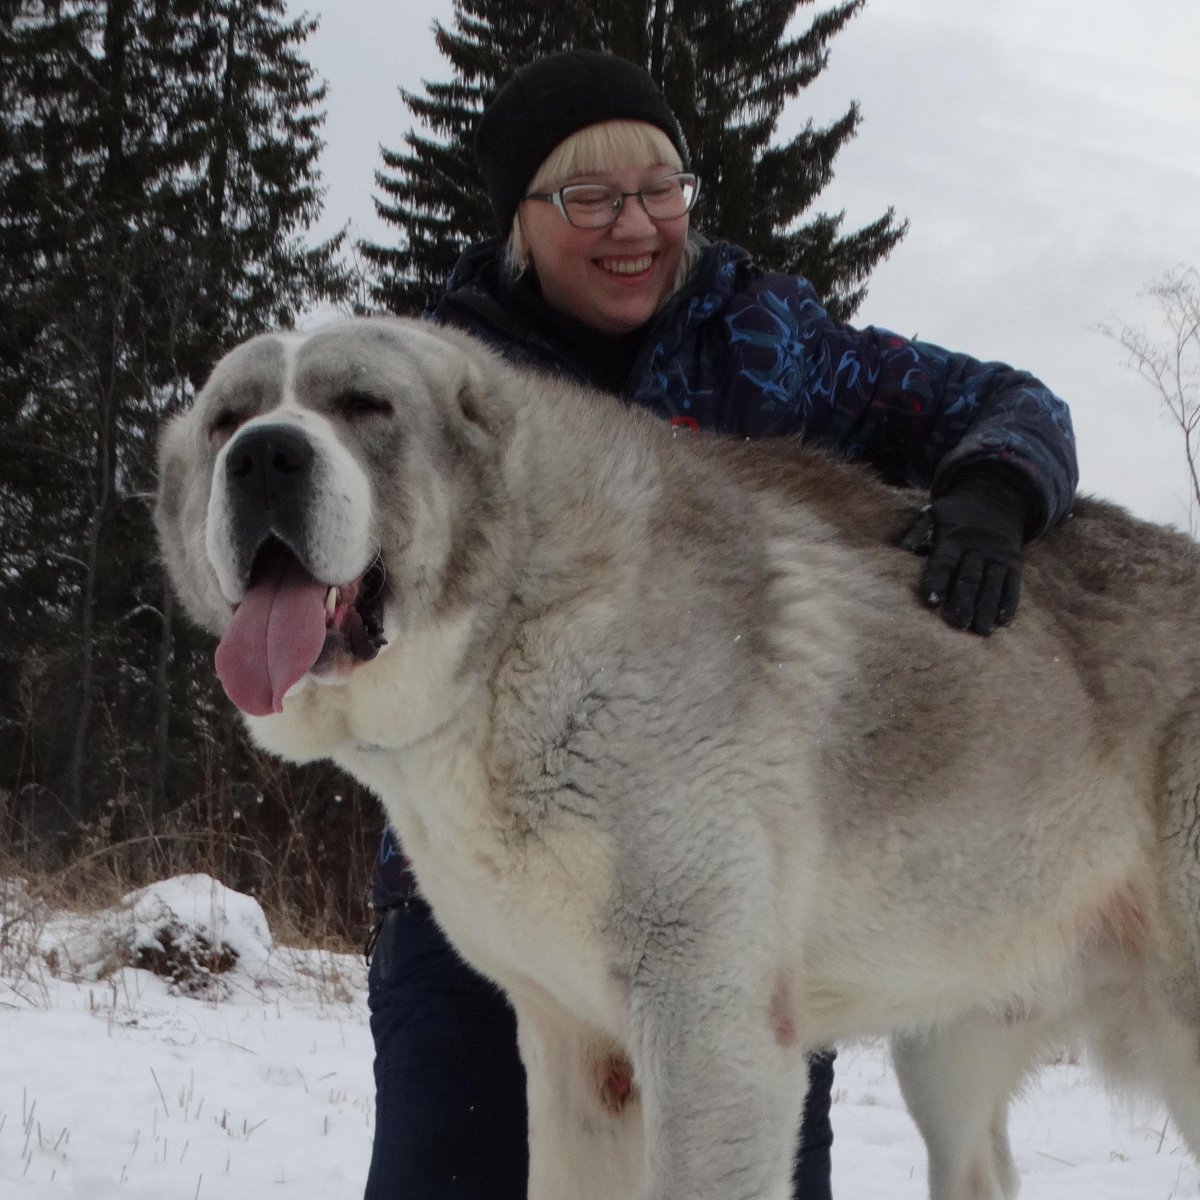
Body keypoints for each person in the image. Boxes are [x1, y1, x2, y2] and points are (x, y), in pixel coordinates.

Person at [364, 49, 1078, 1200]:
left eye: (660, 191)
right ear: (518, 223)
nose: (635, 227)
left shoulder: (772, 338)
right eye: (588, 199)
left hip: (724, 888)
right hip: (485, 888)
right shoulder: (434, 390)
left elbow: (1007, 401)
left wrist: (996, 489)